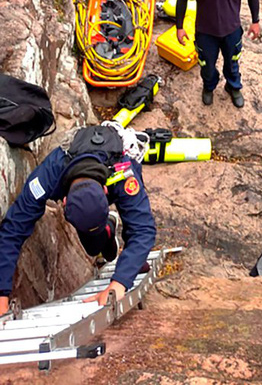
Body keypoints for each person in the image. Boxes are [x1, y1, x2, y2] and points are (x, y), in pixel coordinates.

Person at [0, 124, 156, 314]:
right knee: (92, 246)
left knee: (132, 227)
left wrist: (120, 281)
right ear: (64, 202)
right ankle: (106, 229)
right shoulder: (49, 174)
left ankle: (117, 241)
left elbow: (143, 228)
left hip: (113, 165)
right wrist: (2, 292)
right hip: (78, 173)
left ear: (105, 192)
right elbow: (13, 228)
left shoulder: (124, 174)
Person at [176, 0, 261, 108]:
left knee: (232, 62)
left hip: (231, 30)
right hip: (206, 32)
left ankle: (233, 87)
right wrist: (179, 27)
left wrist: (255, 21)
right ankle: (209, 87)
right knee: (206, 65)